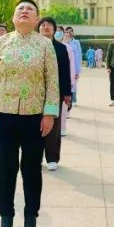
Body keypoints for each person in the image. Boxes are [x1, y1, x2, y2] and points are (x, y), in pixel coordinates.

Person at [0, 0, 59, 227]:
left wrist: (49, 113)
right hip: (4, 114)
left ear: (36, 19)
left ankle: (30, 222)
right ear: (14, 18)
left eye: (30, 9)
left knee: (31, 169)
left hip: (35, 117)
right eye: (20, 9)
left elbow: (53, 80)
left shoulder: (45, 44)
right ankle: (6, 221)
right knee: (6, 168)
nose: (25, 11)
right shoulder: (1, 43)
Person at [38, 16, 73, 171]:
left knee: (53, 125)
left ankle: (52, 158)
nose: (46, 27)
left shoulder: (61, 48)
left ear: (54, 29)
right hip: (35, 92)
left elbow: (65, 72)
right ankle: (36, 157)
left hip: (55, 92)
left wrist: (67, 93)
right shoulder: (33, 46)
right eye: (43, 25)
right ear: (38, 28)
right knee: (35, 126)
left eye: (49, 25)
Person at [63, 27, 82, 135]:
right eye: (65, 35)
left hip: (72, 71)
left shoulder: (74, 45)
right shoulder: (60, 45)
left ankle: (68, 110)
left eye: (68, 35)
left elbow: (78, 58)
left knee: (70, 91)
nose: (66, 37)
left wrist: (77, 71)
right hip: (63, 72)